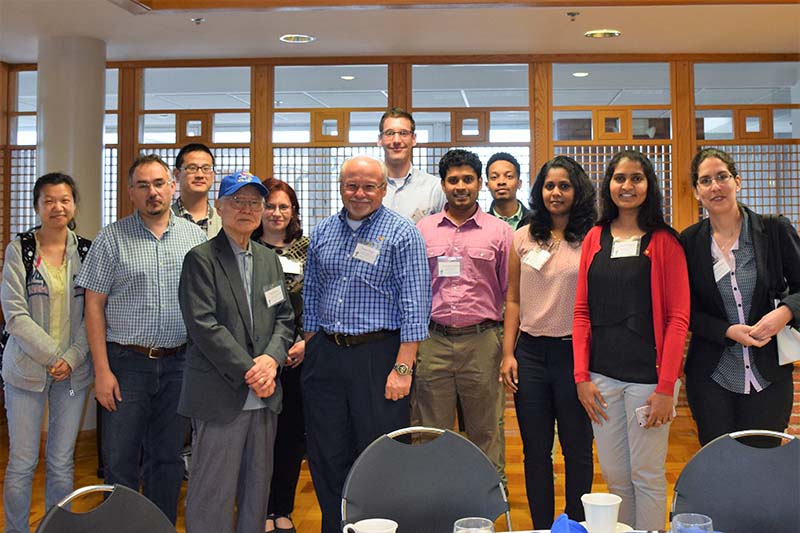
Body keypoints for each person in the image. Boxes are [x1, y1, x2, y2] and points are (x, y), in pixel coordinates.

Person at [302, 155, 431, 533]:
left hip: (379, 357)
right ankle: (335, 525)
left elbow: (415, 305)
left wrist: (403, 368)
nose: (359, 194)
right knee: (326, 454)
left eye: (369, 186)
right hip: (326, 355)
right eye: (351, 185)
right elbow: (311, 296)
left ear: (382, 189)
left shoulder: (403, 233)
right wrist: (312, 353)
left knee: (380, 455)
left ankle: (380, 527)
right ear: (341, 187)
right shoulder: (323, 231)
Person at [76, 154, 207, 523]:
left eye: (159, 184)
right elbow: (93, 308)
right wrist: (102, 371)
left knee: (166, 458)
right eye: (143, 185)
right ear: (131, 193)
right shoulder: (111, 239)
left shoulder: (194, 238)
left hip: (180, 363)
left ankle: (160, 526)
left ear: (173, 187)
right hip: (126, 365)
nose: (153, 192)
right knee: (120, 459)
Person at [573, 149, 689, 531]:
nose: (627, 186)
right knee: (616, 475)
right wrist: (582, 378)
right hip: (602, 379)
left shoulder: (665, 242)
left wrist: (666, 387)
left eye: (636, 178)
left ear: (648, 186)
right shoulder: (593, 237)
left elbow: (677, 320)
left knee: (647, 476)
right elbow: (581, 313)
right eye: (620, 178)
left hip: (648, 382)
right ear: (608, 185)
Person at [178, 171, 295, 533]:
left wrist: (272, 360)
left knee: (256, 492)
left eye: (253, 203)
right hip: (221, 394)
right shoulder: (200, 259)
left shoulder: (267, 260)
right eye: (237, 201)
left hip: (264, 396)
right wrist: (253, 371)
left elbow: (284, 318)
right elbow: (204, 325)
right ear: (219, 206)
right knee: (211, 492)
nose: (246, 209)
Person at [680, 147, 800, 447]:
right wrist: (726, 330)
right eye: (705, 181)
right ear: (696, 191)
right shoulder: (689, 243)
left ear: (738, 181)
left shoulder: (773, 230)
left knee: (762, 465)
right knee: (719, 464)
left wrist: (784, 312)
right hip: (711, 375)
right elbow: (686, 310)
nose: (715, 186)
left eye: (722, 177)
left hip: (769, 374)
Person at [500, 156, 596, 529]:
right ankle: (542, 526)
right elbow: (513, 299)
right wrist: (508, 352)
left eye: (564, 186)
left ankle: (576, 525)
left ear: (578, 191)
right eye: (549, 186)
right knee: (535, 451)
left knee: (577, 450)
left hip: (576, 354)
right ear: (539, 191)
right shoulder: (523, 236)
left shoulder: (592, 237)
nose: (556, 193)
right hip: (531, 355)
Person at [1, 173, 92, 533]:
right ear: (37, 206)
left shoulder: (86, 250)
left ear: (74, 204)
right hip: (26, 371)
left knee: (61, 462)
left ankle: (58, 529)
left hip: (73, 373)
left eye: (65, 200)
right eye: (49, 201)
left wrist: (70, 358)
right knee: (22, 462)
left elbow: (94, 314)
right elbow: (14, 313)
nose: (58, 207)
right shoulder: (20, 249)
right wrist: (53, 355)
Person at [415, 149, 512, 479]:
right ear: (443, 185)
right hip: (432, 341)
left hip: (482, 342)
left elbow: (511, 295)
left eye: (468, 179)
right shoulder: (422, 230)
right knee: (429, 433)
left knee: (485, 432)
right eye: (453, 180)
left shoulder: (500, 233)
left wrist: (507, 350)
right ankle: (433, 506)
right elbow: (413, 292)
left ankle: (485, 507)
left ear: (479, 184)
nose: (461, 186)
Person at [252, 178, 310, 533]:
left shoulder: (307, 248)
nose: (276, 213)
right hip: (256, 358)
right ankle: (259, 508)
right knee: (257, 437)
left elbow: (318, 297)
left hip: (297, 355)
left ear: (293, 212)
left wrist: (305, 341)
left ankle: (283, 508)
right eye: (269, 206)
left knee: (290, 435)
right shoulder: (247, 246)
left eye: (283, 207)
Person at [378, 107, 445, 222]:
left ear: (413, 139)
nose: (397, 140)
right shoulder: (367, 188)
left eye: (403, 133)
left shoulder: (434, 188)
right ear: (380, 139)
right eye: (389, 133)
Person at [172, 142, 222, 237]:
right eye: (192, 168)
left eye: (206, 168)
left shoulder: (223, 221)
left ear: (213, 175)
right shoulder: (164, 219)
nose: (200, 175)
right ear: (177, 174)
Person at [486, 152, 531, 229]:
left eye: (509, 176)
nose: (501, 182)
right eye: (494, 177)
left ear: (519, 183)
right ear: (487, 185)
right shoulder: (482, 223)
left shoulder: (536, 221)